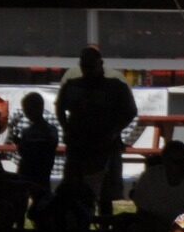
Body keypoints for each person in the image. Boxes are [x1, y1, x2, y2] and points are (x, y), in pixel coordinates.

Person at [56, 46, 138, 221]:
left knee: (106, 193)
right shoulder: (73, 85)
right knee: (75, 189)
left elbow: (130, 111)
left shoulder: (115, 86)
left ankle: (105, 227)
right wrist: (67, 129)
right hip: (80, 145)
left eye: (91, 66)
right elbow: (60, 107)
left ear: (100, 64)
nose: (88, 71)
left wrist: (114, 131)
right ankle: (76, 224)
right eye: (85, 67)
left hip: (105, 145)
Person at [10, 91, 59, 220]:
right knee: (42, 202)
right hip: (43, 172)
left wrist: (19, 144)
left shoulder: (28, 132)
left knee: (23, 201)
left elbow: (25, 153)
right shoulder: (51, 131)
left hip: (28, 172)